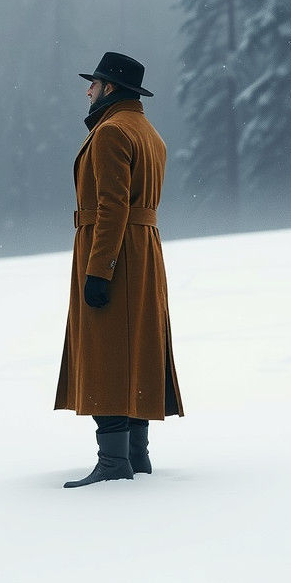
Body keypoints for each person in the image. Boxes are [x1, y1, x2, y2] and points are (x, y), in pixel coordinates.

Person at [55, 52, 184, 488]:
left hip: (116, 250)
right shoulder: (149, 133)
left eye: (93, 83)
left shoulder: (111, 132)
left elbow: (111, 208)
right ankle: (136, 454)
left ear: (110, 88)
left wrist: (99, 269)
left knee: (108, 352)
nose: (88, 90)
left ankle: (113, 463)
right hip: (144, 251)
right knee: (137, 350)